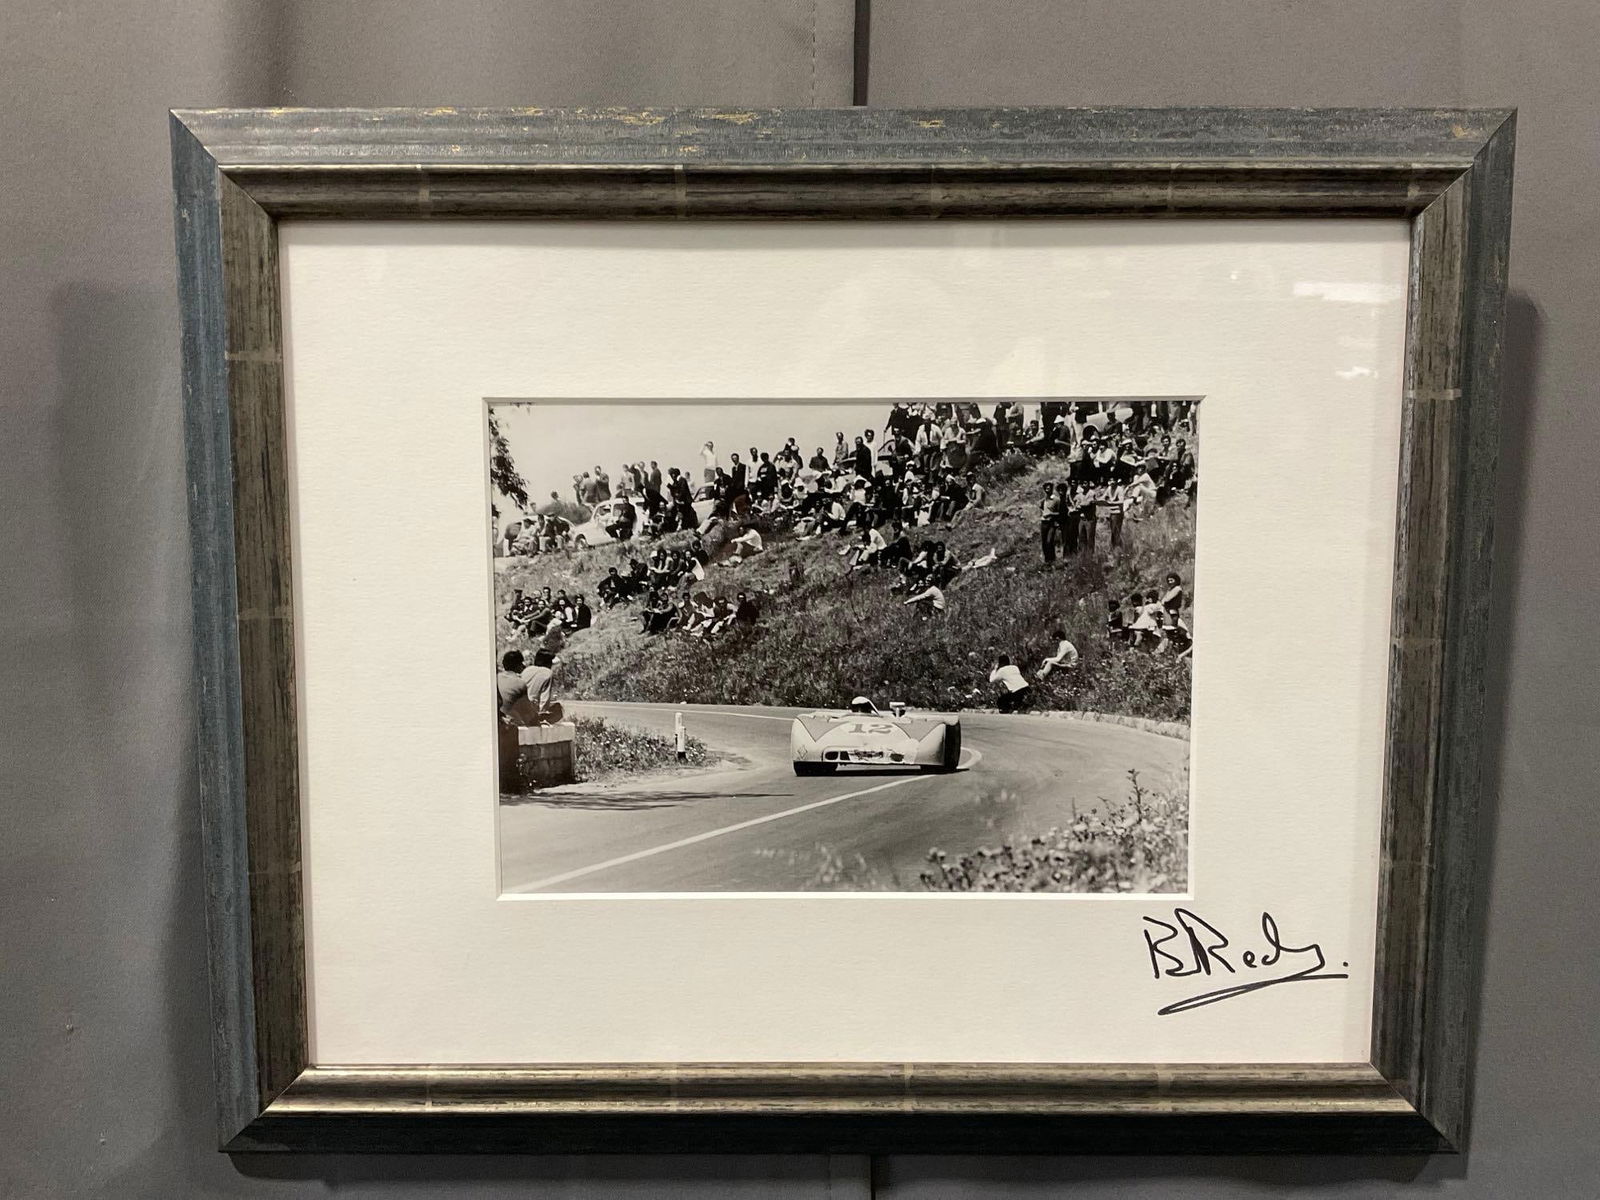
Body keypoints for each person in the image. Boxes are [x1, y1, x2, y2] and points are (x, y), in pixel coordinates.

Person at [496, 649, 555, 724]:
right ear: (518, 665)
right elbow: (529, 711)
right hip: (510, 721)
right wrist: (539, 721)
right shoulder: (520, 683)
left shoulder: (496, 677)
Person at [1038, 482, 1062, 565]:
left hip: (1051, 523)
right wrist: (1042, 514)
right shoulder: (1044, 500)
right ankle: (1047, 560)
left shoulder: (1056, 499)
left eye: (1049, 488)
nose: (1047, 490)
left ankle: (1052, 559)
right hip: (1043, 523)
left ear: (1052, 489)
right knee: (1044, 543)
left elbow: (1060, 513)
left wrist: (1050, 514)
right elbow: (1041, 508)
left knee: (1049, 541)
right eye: (1046, 489)